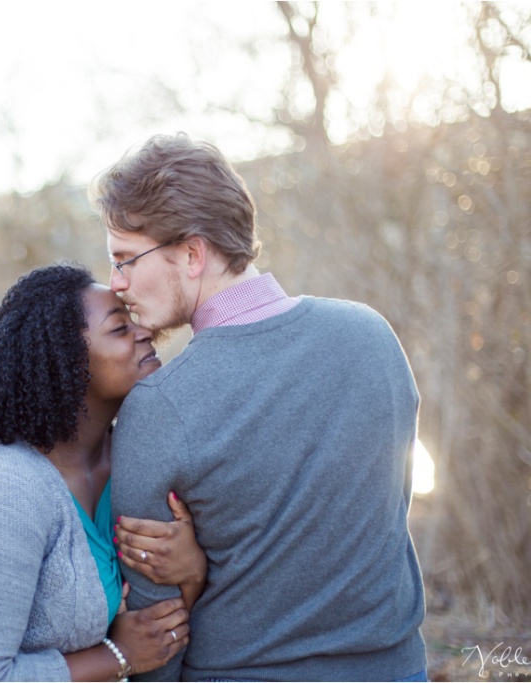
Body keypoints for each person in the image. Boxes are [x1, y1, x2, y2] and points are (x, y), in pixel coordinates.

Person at [91, 133, 428, 682]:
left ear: (193, 254)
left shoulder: (159, 406)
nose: (117, 283)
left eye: (126, 259)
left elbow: (158, 627)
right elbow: (386, 512)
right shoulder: (372, 336)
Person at [0, 264, 208, 682]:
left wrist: (192, 571)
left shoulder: (131, 459)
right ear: (65, 360)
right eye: (120, 329)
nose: (145, 334)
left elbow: (157, 634)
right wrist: (116, 656)